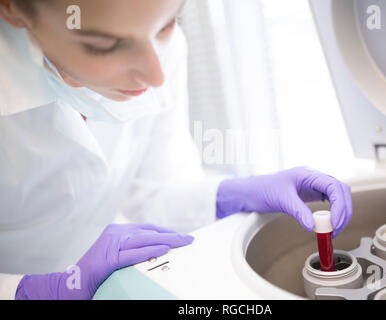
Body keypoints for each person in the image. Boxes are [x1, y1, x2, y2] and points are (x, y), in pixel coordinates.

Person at [0, 0, 353, 300]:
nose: (155, 75)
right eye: (104, 45)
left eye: (168, 23)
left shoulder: (159, 49)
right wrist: (26, 288)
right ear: (12, 10)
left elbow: (154, 190)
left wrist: (231, 195)